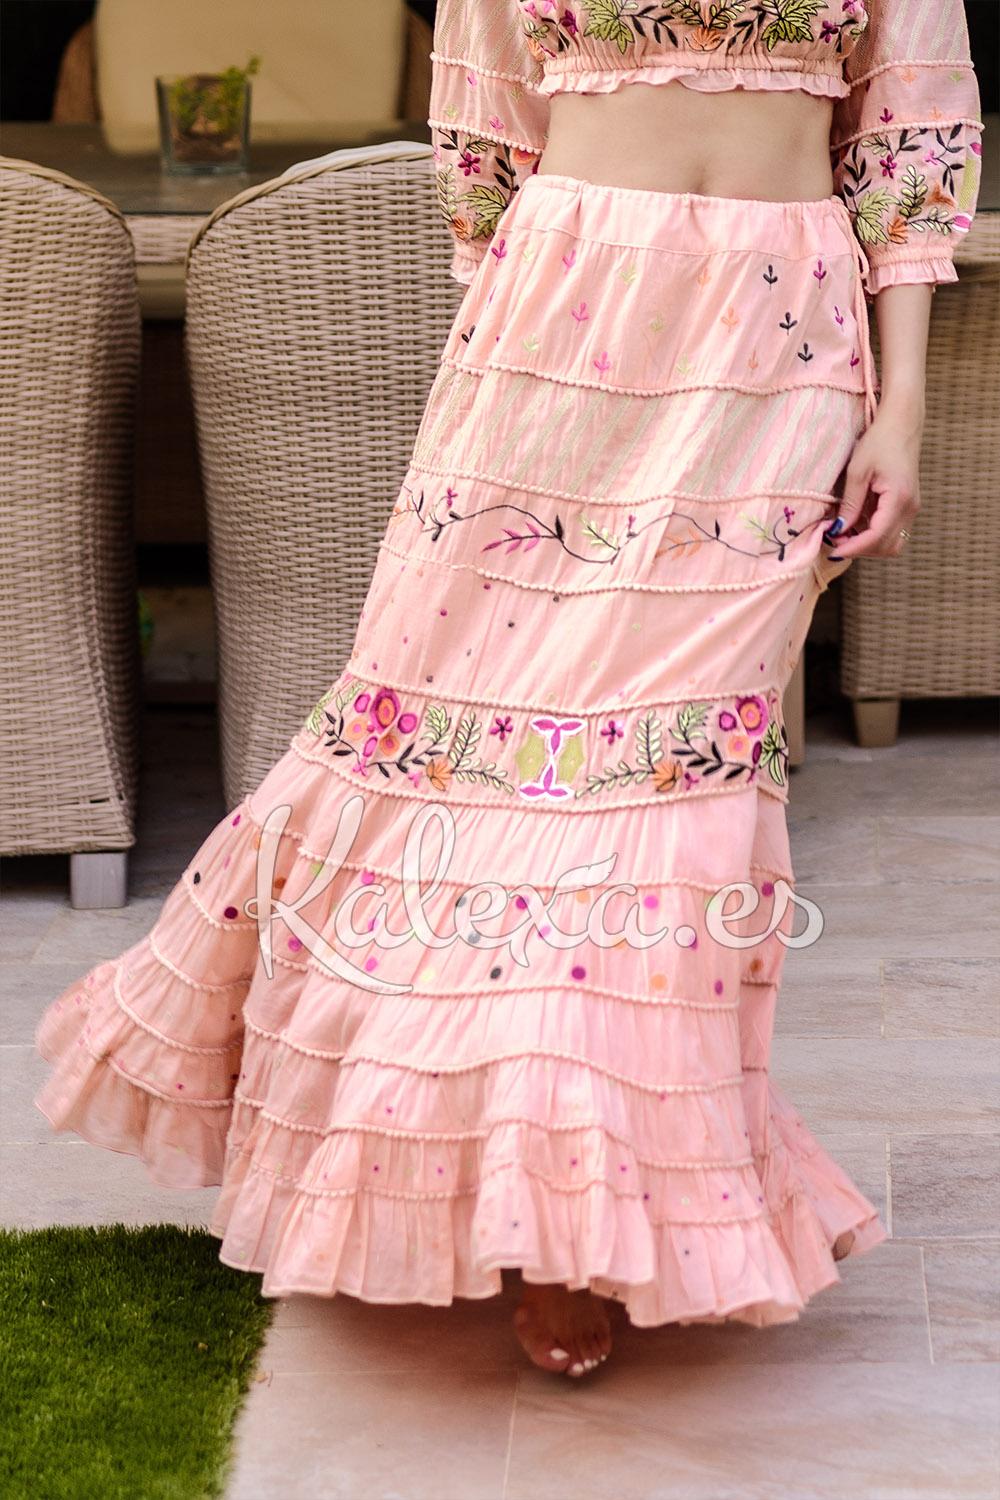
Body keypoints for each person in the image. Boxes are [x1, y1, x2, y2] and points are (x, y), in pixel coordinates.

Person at [34, 0, 983, 1380]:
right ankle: (504, 1182)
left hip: (779, 351)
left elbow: (909, 149)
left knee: (672, 776)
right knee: (448, 744)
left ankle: (574, 1207)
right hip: (556, 336)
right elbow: (483, 153)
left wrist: (901, 414)